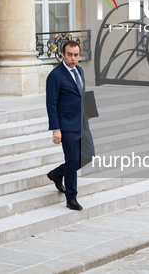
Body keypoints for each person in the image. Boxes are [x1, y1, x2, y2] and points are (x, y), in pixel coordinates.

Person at [46, 40, 95, 210]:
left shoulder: (79, 70)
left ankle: (57, 173)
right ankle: (71, 199)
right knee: (72, 159)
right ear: (63, 55)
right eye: (70, 55)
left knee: (88, 155)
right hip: (66, 125)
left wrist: (89, 111)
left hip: (82, 122)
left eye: (76, 55)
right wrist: (55, 129)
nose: (73, 58)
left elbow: (82, 92)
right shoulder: (55, 76)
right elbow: (51, 104)